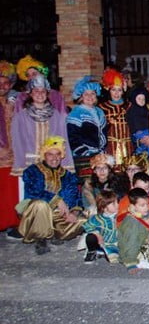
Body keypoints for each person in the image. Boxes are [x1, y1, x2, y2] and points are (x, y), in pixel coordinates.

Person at [15, 136, 85, 255]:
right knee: (41, 205)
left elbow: (75, 196)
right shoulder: (32, 171)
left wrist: (74, 212)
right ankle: (40, 238)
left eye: (57, 154)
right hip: (36, 213)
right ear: (44, 155)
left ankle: (55, 234)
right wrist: (56, 199)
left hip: (58, 215)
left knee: (85, 220)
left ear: (61, 156)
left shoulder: (67, 175)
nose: (54, 158)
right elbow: (33, 192)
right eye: (50, 154)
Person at [11, 75, 74, 176]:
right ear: (30, 94)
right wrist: (20, 164)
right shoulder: (21, 116)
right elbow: (17, 142)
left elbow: (62, 138)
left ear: (47, 94)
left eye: (43, 91)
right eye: (36, 91)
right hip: (29, 164)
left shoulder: (56, 114)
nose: (40, 94)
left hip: (51, 163)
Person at [99, 69, 132, 166]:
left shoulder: (129, 106)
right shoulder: (102, 107)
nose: (116, 93)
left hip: (128, 146)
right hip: (110, 146)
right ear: (109, 90)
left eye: (119, 90)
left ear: (123, 91)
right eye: (113, 90)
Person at [0, 61, 18, 235]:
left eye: (6, 83)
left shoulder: (13, 104)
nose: (2, 86)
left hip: (12, 156)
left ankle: (11, 224)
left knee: (10, 194)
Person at [81, 190, 120, 263]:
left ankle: (105, 253)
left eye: (117, 202)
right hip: (102, 242)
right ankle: (92, 251)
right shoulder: (97, 218)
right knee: (90, 237)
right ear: (104, 207)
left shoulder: (120, 215)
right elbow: (86, 226)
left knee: (117, 259)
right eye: (114, 204)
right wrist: (97, 234)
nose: (117, 205)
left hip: (116, 243)